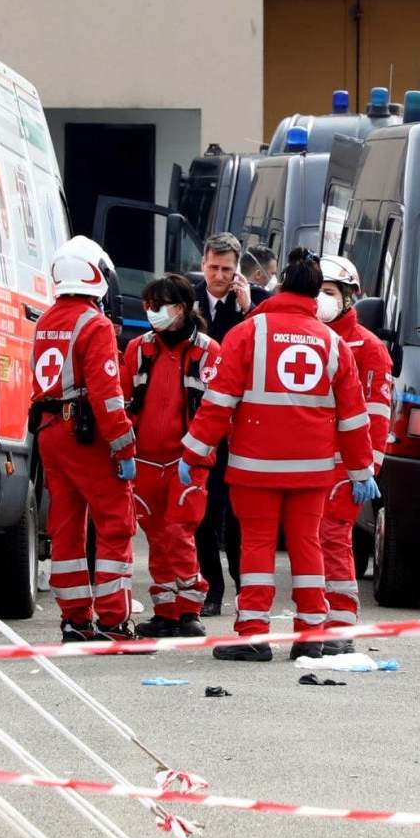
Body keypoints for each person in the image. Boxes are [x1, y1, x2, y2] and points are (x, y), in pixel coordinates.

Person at [179, 250, 378, 661]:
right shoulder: (334, 343)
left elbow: (218, 403)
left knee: (256, 548)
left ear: (282, 285)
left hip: (255, 469)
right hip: (314, 473)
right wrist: (361, 471)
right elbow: (354, 418)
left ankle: (253, 634)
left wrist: (194, 454)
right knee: (308, 548)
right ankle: (311, 636)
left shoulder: (250, 332)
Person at [30, 236, 143, 644]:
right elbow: (107, 394)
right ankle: (114, 622)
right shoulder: (93, 323)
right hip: (85, 435)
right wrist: (124, 446)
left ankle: (75, 620)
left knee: (66, 526)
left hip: (50, 433)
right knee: (115, 522)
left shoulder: (45, 320)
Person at [120, 273, 217, 637]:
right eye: (148, 305)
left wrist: (199, 454)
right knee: (156, 536)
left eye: (157, 305)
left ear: (180, 308)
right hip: (144, 460)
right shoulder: (138, 349)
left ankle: (190, 608)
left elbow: (216, 409)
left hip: (187, 461)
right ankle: (165, 610)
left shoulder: (207, 351)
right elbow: (123, 400)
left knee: (179, 533)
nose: (151, 312)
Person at [315, 254, 392, 656]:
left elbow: (377, 417)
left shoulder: (370, 348)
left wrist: (365, 470)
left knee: (332, 538)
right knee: (309, 542)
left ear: (348, 299)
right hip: (308, 463)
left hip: (345, 467)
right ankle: (315, 619)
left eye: (328, 292)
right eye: (315, 291)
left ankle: (340, 623)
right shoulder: (307, 338)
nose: (320, 300)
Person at [192, 233, 250, 614]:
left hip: (241, 423)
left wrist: (248, 308)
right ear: (203, 264)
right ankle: (211, 589)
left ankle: (245, 587)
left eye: (227, 269)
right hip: (201, 417)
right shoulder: (187, 298)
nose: (219, 275)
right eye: (213, 267)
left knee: (240, 512)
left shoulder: (252, 302)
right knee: (204, 511)